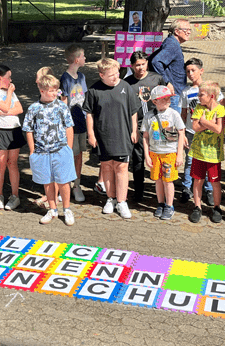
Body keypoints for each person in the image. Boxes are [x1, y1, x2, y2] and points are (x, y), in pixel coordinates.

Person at [84, 58, 141, 219]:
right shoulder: (94, 90)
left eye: (117, 73)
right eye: (111, 75)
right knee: (107, 167)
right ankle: (111, 198)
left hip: (123, 134)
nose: (116, 77)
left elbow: (133, 111)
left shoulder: (126, 87)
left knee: (122, 168)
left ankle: (122, 201)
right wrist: (91, 134)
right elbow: (89, 114)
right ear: (101, 75)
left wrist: (134, 130)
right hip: (103, 135)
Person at [23, 74, 77, 226]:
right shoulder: (34, 108)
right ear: (41, 89)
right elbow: (28, 130)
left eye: (56, 90)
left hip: (60, 150)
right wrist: (32, 150)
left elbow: (69, 127)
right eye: (51, 90)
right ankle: (52, 209)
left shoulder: (61, 106)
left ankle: (66, 209)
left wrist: (69, 148)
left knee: (64, 181)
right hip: (41, 152)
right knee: (47, 181)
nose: (55, 93)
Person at [180, 58, 225, 205]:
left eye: (193, 70)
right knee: (190, 161)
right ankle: (187, 187)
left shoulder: (211, 88)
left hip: (211, 136)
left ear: (201, 70)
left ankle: (209, 189)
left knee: (208, 162)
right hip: (191, 131)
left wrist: (210, 123)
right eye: (187, 71)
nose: (190, 74)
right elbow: (184, 113)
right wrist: (182, 133)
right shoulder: (186, 91)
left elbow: (223, 112)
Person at [124, 50, 167, 201]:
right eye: (137, 65)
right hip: (137, 125)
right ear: (131, 66)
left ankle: (162, 190)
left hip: (156, 124)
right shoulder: (127, 83)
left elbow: (166, 98)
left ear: (147, 63)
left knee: (161, 156)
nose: (140, 68)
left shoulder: (157, 78)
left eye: (143, 64)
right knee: (138, 158)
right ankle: (138, 190)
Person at [0, 64, 25, 210]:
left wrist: (3, 112)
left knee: (12, 164)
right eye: (9, 78)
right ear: (0, 78)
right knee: (0, 165)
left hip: (13, 130)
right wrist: (9, 97)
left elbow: (19, 109)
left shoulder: (10, 91)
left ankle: (15, 196)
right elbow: (9, 107)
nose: (11, 81)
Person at [142, 85, 185, 220]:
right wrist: (147, 155)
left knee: (168, 180)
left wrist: (179, 154)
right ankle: (160, 203)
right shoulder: (149, 116)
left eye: (168, 98)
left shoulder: (174, 114)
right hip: (155, 154)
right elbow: (145, 136)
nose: (168, 100)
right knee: (158, 180)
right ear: (154, 101)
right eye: (164, 98)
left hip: (169, 154)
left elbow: (181, 132)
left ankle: (169, 205)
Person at [188, 81, 225, 224]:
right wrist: (208, 123)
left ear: (211, 96)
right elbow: (194, 127)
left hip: (214, 154)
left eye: (201, 94)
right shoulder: (199, 107)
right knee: (198, 180)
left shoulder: (220, 110)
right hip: (198, 152)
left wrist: (203, 121)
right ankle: (197, 207)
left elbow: (218, 129)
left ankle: (217, 207)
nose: (198, 97)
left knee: (215, 182)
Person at [59, 44, 89, 202]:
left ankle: (77, 185)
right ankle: (64, 185)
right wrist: (64, 125)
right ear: (77, 59)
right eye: (83, 56)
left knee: (79, 155)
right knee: (68, 155)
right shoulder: (65, 78)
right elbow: (63, 102)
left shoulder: (82, 77)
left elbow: (84, 98)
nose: (85, 59)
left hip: (81, 122)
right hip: (70, 124)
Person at [150, 19, 190, 113]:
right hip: (174, 95)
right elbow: (156, 61)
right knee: (174, 126)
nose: (188, 32)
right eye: (186, 29)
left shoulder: (171, 42)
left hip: (176, 92)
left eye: (190, 30)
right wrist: (167, 82)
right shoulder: (172, 45)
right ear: (176, 31)